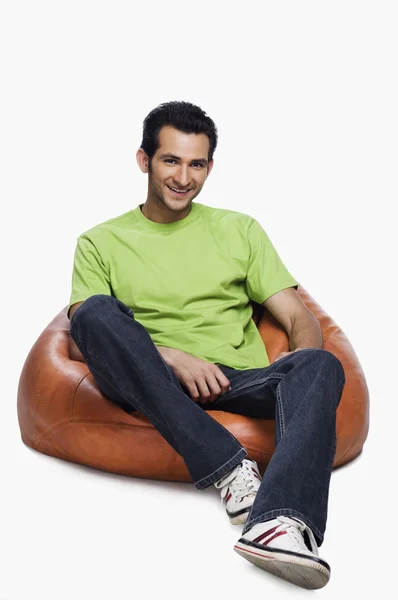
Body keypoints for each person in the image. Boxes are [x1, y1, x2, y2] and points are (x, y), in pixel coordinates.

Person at [67, 100, 346, 590]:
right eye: (170, 160)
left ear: (210, 167)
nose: (183, 177)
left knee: (322, 365)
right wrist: (170, 358)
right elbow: (89, 329)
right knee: (92, 311)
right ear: (143, 160)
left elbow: (297, 315)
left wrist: (299, 364)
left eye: (197, 164)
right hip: (149, 379)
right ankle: (230, 465)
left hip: (234, 378)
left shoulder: (239, 229)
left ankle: (276, 522)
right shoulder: (100, 241)